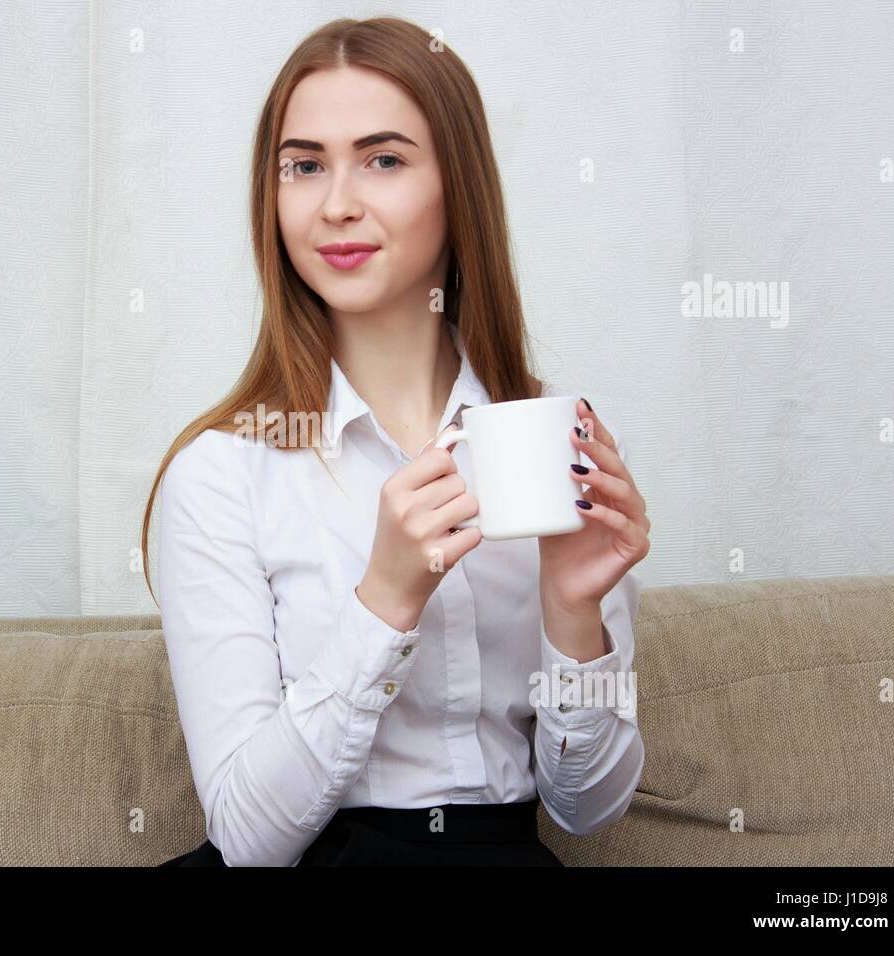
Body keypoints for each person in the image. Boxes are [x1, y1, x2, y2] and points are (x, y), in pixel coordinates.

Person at [141, 16, 652, 867]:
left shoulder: (561, 438)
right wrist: (384, 602)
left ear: (459, 187)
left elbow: (588, 810)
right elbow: (246, 837)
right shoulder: (224, 472)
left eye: (383, 159)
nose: (337, 202)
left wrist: (574, 612)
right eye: (304, 165)